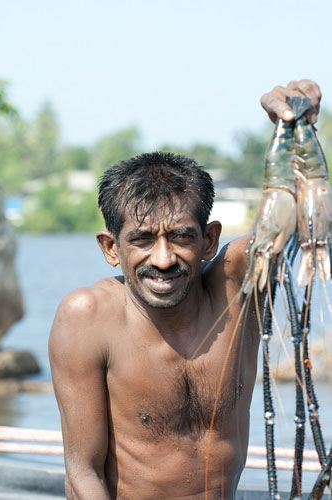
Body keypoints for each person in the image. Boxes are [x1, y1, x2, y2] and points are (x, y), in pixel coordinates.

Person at [49, 80, 321, 500]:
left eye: (180, 236)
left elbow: (312, 223)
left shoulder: (238, 286)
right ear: (110, 248)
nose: (163, 259)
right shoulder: (88, 317)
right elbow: (82, 473)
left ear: (209, 240)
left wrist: (296, 131)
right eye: (141, 240)